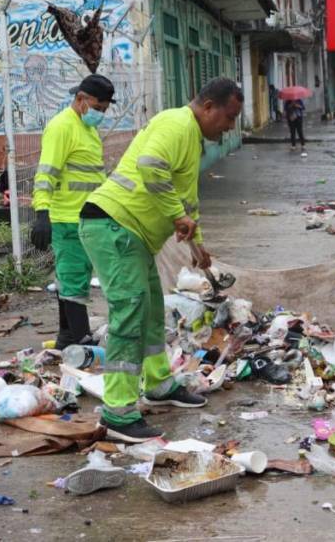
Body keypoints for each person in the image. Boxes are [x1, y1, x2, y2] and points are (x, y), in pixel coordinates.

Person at [78, 77, 243, 442]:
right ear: (209, 107)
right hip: (113, 226)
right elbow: (152, 167)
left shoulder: (192, 139)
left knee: (152, 311)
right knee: (130, 314)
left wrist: (197, 246)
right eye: (229, 117)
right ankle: (118, 411)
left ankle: (158, 384)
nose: (230, 127)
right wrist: (176, 217)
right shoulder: (176, 123)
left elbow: (187, 202)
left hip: (131, 235)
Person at [31, 74, 115, 350]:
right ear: (81, 100)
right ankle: (81, 340)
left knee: (71, 277)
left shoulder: (86, 129)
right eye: (98, 108)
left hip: (86, 215)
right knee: (74, 278)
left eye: (104, 109)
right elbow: (47, 171)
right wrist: (42, 212)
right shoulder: (62, 127)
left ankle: (67, 336)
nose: (100, 114)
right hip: (67, 218)